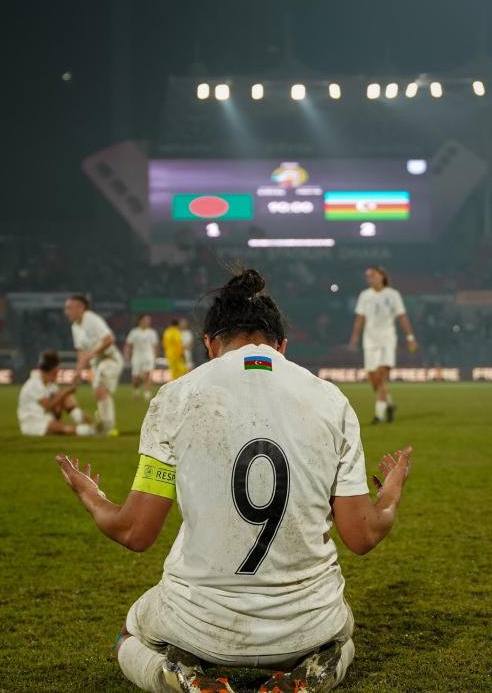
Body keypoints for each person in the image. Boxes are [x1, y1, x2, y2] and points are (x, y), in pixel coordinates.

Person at [56, 268, 412, 693]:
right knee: (342, 637)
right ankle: (315, 672)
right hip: (307, 622)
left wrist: (90, 494)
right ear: (281, 345)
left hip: (199, 623)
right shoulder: (331, 399)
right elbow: (362, 535)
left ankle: (184, 680)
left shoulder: (176, 396)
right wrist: (391, 491)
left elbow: (135, 531)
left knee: (130, 637)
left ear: (210, 344)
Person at [349, 266, 418, 424]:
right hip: (370, 341)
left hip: (387, 340)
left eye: (372, 275)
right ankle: (390, 404)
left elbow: (402, 317)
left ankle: (379, 415)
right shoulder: (365, 296)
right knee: (373, 379)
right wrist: (355, 336)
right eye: (367, 276)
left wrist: (410, 337)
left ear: (381, 276)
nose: (370, 279)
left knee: (380, 376)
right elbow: (360, 318)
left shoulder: (393, 295)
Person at [64, 294, 124, 435]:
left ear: (81, 307)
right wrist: (78, 372)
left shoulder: (91, 319)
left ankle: (107, 426)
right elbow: (81, 352)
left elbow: (109, 339)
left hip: (110, 358)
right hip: (97, 363)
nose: (67, 312)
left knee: (100, 389)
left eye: (70, 308)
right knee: (98, 393)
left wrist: (93, 353)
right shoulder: (75, 327)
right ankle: (105, 424)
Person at [17, 350, 95, 436]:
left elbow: (62, 400)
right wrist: (66, 392)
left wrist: (65, 394)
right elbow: (48, 405)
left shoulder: (50, 385)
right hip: (33, 423)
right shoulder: (34, 384)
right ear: (54, 370)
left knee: (64, 396)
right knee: (59, 427)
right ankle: (91, 431)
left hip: (47, 417)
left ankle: (93, 424)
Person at [124, 315, 159, 401]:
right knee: (136, 378)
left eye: (148, 320)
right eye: (146, 320)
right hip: (137, 356)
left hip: (148, 356)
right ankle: (136, 389)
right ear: (140, 321)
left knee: (147, 374)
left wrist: (155, 357)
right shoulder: (134, 332)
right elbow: (128, 345)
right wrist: (127, 355)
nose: (147, 322)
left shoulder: (152, 333)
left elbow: (155, 346)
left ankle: (147, 393)